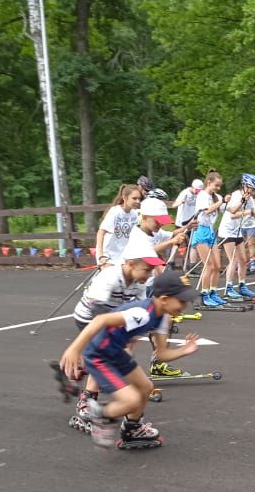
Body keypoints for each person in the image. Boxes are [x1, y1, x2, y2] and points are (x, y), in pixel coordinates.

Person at [58, 269, 199, 448]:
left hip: (116, 351)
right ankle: (99, 415)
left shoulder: (163, 317)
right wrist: (74, 349)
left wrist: (185, 350)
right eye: (181, 301)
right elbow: (99, 321)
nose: (185, 306)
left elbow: (161, 354)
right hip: (100, 355)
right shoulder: (143, 313)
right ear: (164, 299)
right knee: (130, 400)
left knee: (146, 387)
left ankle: (132, 430)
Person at [70, 250, 165, 421]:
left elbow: (140, 312)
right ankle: (87, 400)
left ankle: (78, 370)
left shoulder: (139, 282)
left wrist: (129, 343)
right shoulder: (110, 277)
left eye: (151, 271)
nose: (149, 274)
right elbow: (98, 315)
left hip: (114, 318)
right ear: (130, 264)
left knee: (111, 355)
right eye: (146, 270)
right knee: (102, 356)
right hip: (90, 318)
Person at [121, 197, 191, 377]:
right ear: (144, 217)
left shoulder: (151, 232)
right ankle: (123, 377)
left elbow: (165, 239)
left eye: (162, 221)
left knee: (163, 321)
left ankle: (157, 363)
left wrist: (180, 234)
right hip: (128, 294)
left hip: (144, 289)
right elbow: (155, 261)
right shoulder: (138, 237)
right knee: (128, 339)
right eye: (157, 221)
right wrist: (175, 283)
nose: (160, 225)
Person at [217, 173, 255, 301]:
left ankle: (242, 285)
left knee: (243, 259)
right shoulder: (236, 195)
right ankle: (228, 288)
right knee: (233, 260)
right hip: (227, 230)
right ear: (244, 185)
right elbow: (232, 213)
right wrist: (249, 210)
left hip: (237, 231)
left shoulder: (250, 199)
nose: (253, 192)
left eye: (254, 190)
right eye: (251, 188)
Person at [189, 170, 227, 307]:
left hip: (211, 232)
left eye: (219, 186)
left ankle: (213, 292)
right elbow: (207, 211)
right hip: (201, 231)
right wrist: (222, 200)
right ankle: (204, 295)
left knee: (217, 266)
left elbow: (230, 210)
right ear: (209, 183)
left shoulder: (215, 196)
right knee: (209, 266)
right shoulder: (202, 196)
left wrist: (241, 201)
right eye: (216, 185)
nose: (218, 188)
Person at [97, 184, 142, 265]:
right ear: (125, 198)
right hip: (108, 257)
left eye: (139, 198)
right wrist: (100, 256)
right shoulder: (115, 211)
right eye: (134, 198)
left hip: (123, 257)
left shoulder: (135, 214)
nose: (138, 201)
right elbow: (101, 232)